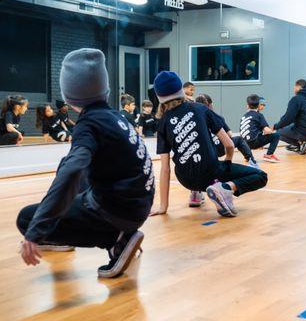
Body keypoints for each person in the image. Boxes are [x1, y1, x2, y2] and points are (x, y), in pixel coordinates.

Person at [17, 48, 155, 278]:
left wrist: (37, 229)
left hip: (122, 211)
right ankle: (117, 232)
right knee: (67, 163)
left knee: (26, 218)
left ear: (70, 95)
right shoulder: (115, 117)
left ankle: (116, 240)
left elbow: (72, 173)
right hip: (139, 203)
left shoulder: (88, 124)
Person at [150, 71, 267, 217]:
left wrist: (163, 207)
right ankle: (224, 188)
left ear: (159, 97)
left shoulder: (163, 122)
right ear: (181, 90)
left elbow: (165, 169)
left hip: (185, 179)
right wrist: (228, 163)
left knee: (192, 160)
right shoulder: (201, 109)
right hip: (211, 173)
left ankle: (197, 194)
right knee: (261, 176)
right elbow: (229, 144)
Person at [195, 94, 260, 169]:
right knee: (239, 139)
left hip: (204, 152)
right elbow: (230, 134)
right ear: (210, 104)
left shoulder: (193, 120)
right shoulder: (216, 117)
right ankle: (251, 161)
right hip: (219, 148)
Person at [240, 94, 281, 163]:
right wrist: (273, 129)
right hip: (253, 142)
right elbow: (267, 130)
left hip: (243, 144)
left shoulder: (244, 116)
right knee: (276, 135)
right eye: (262, 104)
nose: (263, 107)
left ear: (247, 106)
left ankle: (247, 156)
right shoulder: (259, 115)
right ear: (258, 105)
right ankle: (269, 155)